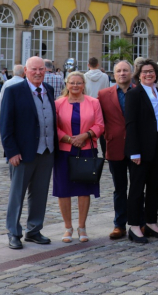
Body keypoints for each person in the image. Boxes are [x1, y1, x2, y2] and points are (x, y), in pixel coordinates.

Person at [0, 56, 58, 250]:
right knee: (17, 194)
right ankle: (14, 233)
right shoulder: (13, 91)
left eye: (41, 69)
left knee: (40, 194)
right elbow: (5, 125)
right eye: (34, 69)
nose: (38, 72)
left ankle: (34, 230)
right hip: (22, 154)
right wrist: (11, 152)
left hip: (47, 151)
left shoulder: (48, 90)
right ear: (26, 70)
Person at [53, 71, 104, 243]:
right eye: (72, 82)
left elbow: (100, 124)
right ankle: (68, 228)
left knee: (84, 189)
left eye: (79, 82)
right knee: (63, 189)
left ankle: (82, 227)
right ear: (66, 85)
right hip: (64, 150)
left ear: (84, 85)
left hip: (86, 148)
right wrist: (68, 139)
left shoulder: (94, 102)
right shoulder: (58, 104)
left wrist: (85, 136)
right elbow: (54, 126)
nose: (75, 86)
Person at [125, 59, 158, 243]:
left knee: (154, 186)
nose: (148, 74)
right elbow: (131, 124)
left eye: (151, 71)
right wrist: (135, 152)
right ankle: (135, 225)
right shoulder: (134, 94)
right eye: (145, 72)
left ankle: (151, 221)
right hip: (140, 148)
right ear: (138, 74)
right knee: (137, 187)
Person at [98, 60, 134, 240]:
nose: (122, 73)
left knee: (137, 187)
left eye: (125, 70)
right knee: (119, 188)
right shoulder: (104, 94)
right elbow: (99, 122)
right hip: (115, 146)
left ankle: (137, 222)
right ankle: (119, 224)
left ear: (131, 73)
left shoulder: (140, 92)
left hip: (137, 148)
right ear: (114, 74)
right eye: (119, 71)